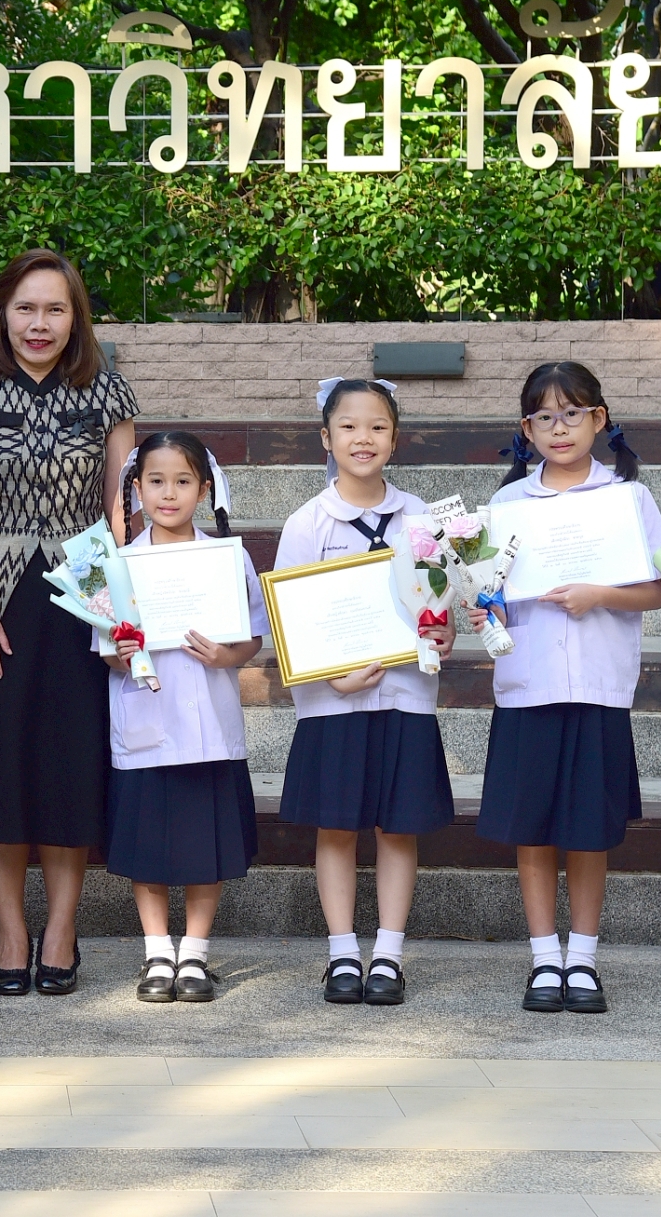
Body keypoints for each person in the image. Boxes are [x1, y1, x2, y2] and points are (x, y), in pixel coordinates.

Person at [0, 247, 140, 996]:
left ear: (76, 318)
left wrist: (114, 615)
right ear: (2, 314)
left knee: (71, 767)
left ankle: (63, 929)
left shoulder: (109, 394)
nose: (39, 324)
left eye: (55, 309)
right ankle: (10, 930)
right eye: (25, 308)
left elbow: (119, 511)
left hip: (80, 599)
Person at [478, 361, 661, 1014]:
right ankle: (544, 958)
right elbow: (492, 591)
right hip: (528, 684)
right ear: (526, 428)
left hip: (597, 685)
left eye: (572, 414)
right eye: (544, 417)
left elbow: (658, 590)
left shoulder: (627, 498)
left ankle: (582, 959)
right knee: (533, 829)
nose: (559, 428)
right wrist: (486, 610)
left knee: (588, 828)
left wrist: (599, 594)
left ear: (599, 419)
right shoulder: (507, 505)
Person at [274, 378, 456, 1006]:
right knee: (336, 827)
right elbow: (292, 620)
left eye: (377, 427)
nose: (363, 438)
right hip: (334, 704)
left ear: (395, 440)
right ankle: (343, 953)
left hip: (405, 695)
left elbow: (438, 601)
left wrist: (443, 631)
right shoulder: (307, 523)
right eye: (348, 427)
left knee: (397, 827)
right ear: (325, 439)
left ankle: (389, 955)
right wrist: (334, 677)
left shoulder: (421, 517)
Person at [104, 433, 267, 1004]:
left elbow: (252, 635)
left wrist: (226, 657)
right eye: (156, 481)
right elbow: (104, 648)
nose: (168, 493)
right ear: (136, 488)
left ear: (204, 488)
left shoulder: (227, 558)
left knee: (206, 844)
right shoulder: (118, 565)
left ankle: (194, 953)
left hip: (208, 727)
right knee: (146, 845)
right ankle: (157, 952)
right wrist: (120, 651)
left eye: (182, 481)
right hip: (147, 720)